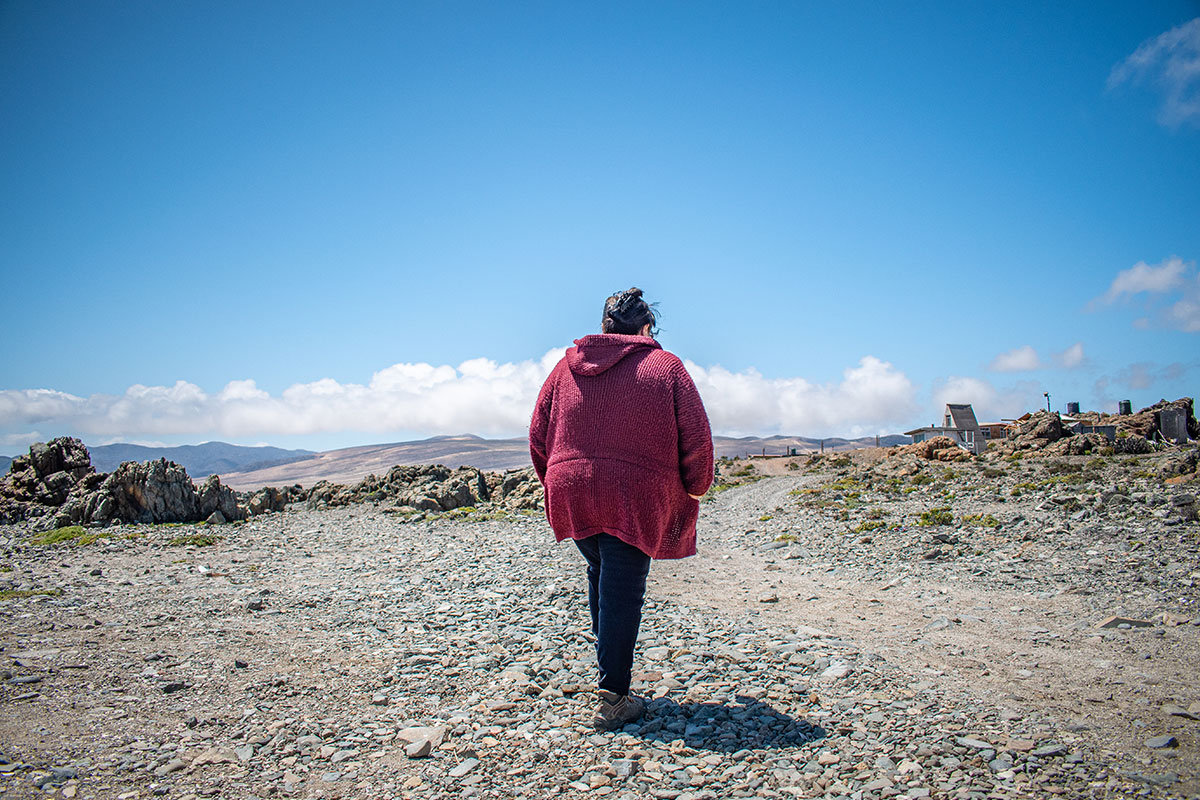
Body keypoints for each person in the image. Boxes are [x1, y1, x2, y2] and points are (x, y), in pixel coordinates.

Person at [529, 287, 714, 730]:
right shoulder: (665, 366)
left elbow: (539, 433)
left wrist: (558, 479)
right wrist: (696, 487)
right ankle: (613, 697)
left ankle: (607, 668)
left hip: (572, 488)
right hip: (633, 494)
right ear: (646, 327)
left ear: (606, 326)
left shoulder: (564, 368)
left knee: (602, 572)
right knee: (622, 588)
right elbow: (697, 438)